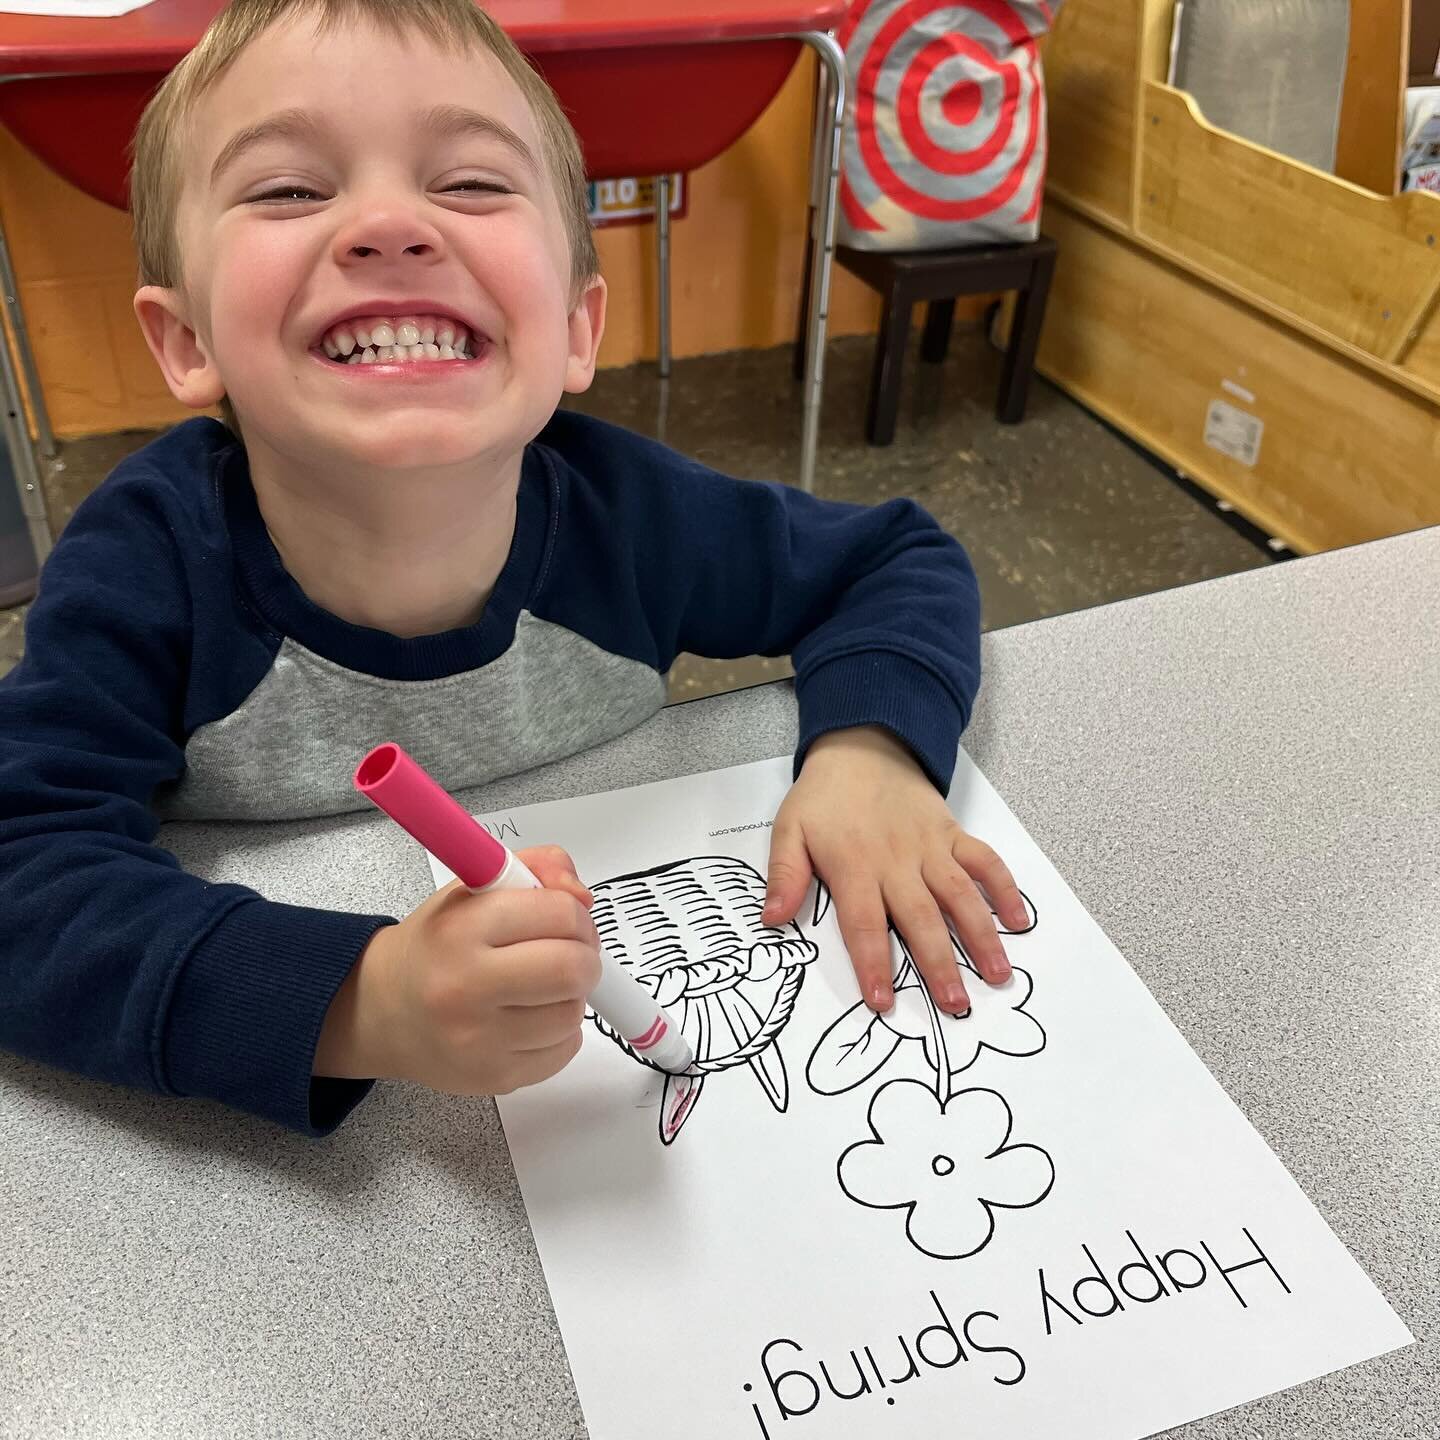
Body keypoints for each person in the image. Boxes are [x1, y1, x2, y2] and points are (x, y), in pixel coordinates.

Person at [0, 0, 1028, 1136]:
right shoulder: (142, 568)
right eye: (292, 189)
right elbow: (19, 875)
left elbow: (894, 559)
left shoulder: (633, 515)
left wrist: (871, 757)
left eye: (472, 184)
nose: (389, 224)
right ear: (186, 339)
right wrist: (358, 999)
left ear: (579, 327)